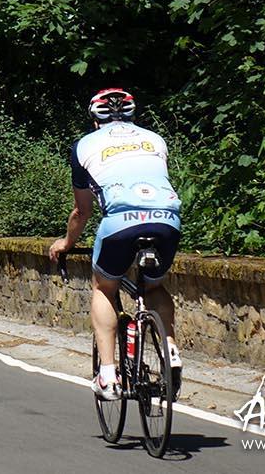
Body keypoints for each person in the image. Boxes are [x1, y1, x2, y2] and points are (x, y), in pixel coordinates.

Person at [49, 88, 183, 400]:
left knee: (103, 288)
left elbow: (82, 211)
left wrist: (67, 242)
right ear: (133, 114)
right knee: (154, 287)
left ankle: (108, 374)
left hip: (121, 222)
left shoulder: (83, 146)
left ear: (94, 118)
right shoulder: (155, 139)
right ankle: (171, 349)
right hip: (167, 218)